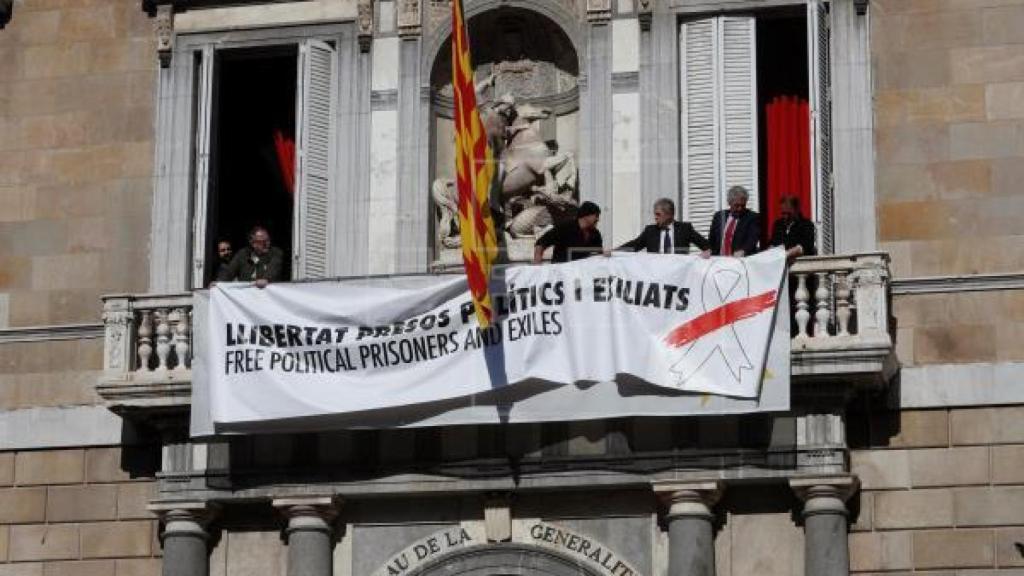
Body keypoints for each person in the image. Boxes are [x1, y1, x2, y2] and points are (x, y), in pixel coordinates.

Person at [617, 198, 710, 256]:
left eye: (658, 214)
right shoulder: (650, 231)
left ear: (669, 214)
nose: (655, 217)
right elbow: (634, 245)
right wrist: (615, 252)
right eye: (655, 214)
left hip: (679, 277)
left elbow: (706, 246)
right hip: (657, 277)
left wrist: (708, 252)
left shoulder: (685, 229)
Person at [533, 201, 603, 264]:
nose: (598, 219)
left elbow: (598, 255)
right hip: (561, 271)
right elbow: (541, 243)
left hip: (582, 272)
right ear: (587, 215)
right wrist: (537, 267)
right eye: (596, 216)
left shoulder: (595, 234)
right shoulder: (564, 228)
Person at [216, 225, 285, 287]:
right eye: (263, 241)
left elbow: (274, 268)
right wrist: (219, 283)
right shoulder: (242, 254)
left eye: (268, 240)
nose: (267, 244)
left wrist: (266, 279)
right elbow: (229, 272)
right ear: (253, 243)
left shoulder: (276, 253)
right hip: (247, 294)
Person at [709, 185, 760, 257]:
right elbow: (711, 240)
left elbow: (752, 239)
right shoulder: (719, 216)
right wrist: (708, 250)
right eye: (736, 205)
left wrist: (744, 250)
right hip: (719, 260)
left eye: (743, 205)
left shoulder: (752, 217)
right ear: (729, 202)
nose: (740, 208)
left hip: (739, 259)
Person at [769, 195, 816, 263]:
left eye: (789, 213)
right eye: (783, 213)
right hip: (780, 263)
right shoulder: (778, 225)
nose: (786, 216)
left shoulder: (807, 225)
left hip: (800, 263)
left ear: (796, 210)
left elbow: (804, 247)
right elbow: (773, 243)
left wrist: (785, 254)